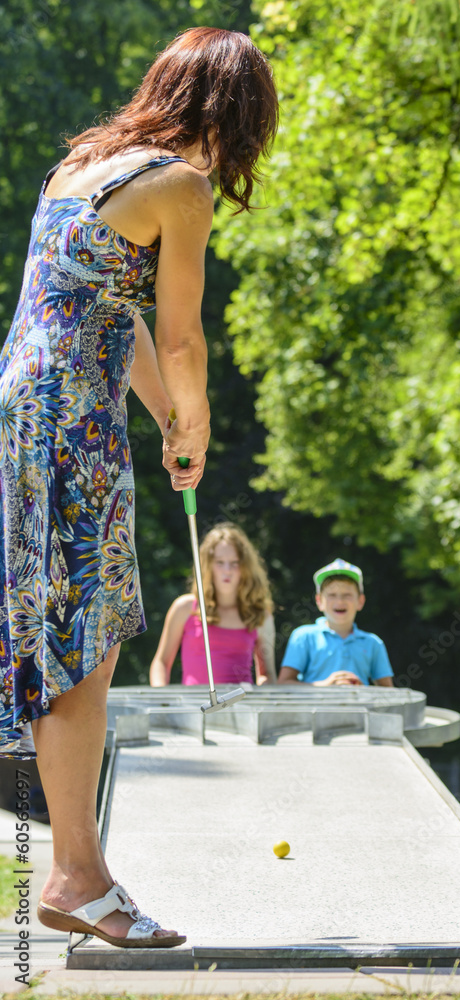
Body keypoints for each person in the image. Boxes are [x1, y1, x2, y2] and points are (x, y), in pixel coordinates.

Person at [0, 28, 278, 948]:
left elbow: (108, 321)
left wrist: (165, 420)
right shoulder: (181, 187)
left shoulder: (83, 165)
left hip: (22, 410)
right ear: (239, 117)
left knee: (56, 632)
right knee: (85, 642)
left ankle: (79, 870)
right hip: (72, 425)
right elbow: (181, 336)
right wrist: (195, 420)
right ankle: (78, 876)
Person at [149, 523, 276, 686]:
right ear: (208, 565)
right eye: (220, 562)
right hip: (193, 707)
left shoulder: (260, 615)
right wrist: (162, 701)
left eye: (235, 563)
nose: (227, 570)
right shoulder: (185, 608)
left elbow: (267, 674)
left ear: (246, 567)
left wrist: (260, 696)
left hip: (243, 708)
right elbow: (161, 663)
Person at [277, 558, 394, 686]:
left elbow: (388, 693)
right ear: (319, 601)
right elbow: (284, 684)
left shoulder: (373, 643)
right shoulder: (304, 637)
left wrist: (363, 690)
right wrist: (325, 686)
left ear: (360, 601)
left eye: (347, 595)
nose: (339, 601)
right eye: (331, 595)